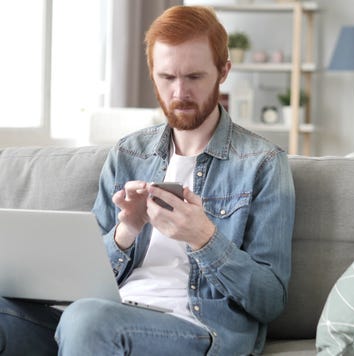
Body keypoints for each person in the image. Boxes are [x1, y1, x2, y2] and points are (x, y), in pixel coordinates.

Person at [0, 5, 295, 355]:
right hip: (103, 316)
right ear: (152, 74)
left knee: (87, 320)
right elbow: (85, 280)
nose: (180, 92)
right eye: (167, 77)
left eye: (195, 77)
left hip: (196, 328)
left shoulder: (262, 164)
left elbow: (269, 300)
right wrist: (126, 231)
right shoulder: (129, 153)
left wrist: (203, 237)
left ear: (223, 71)